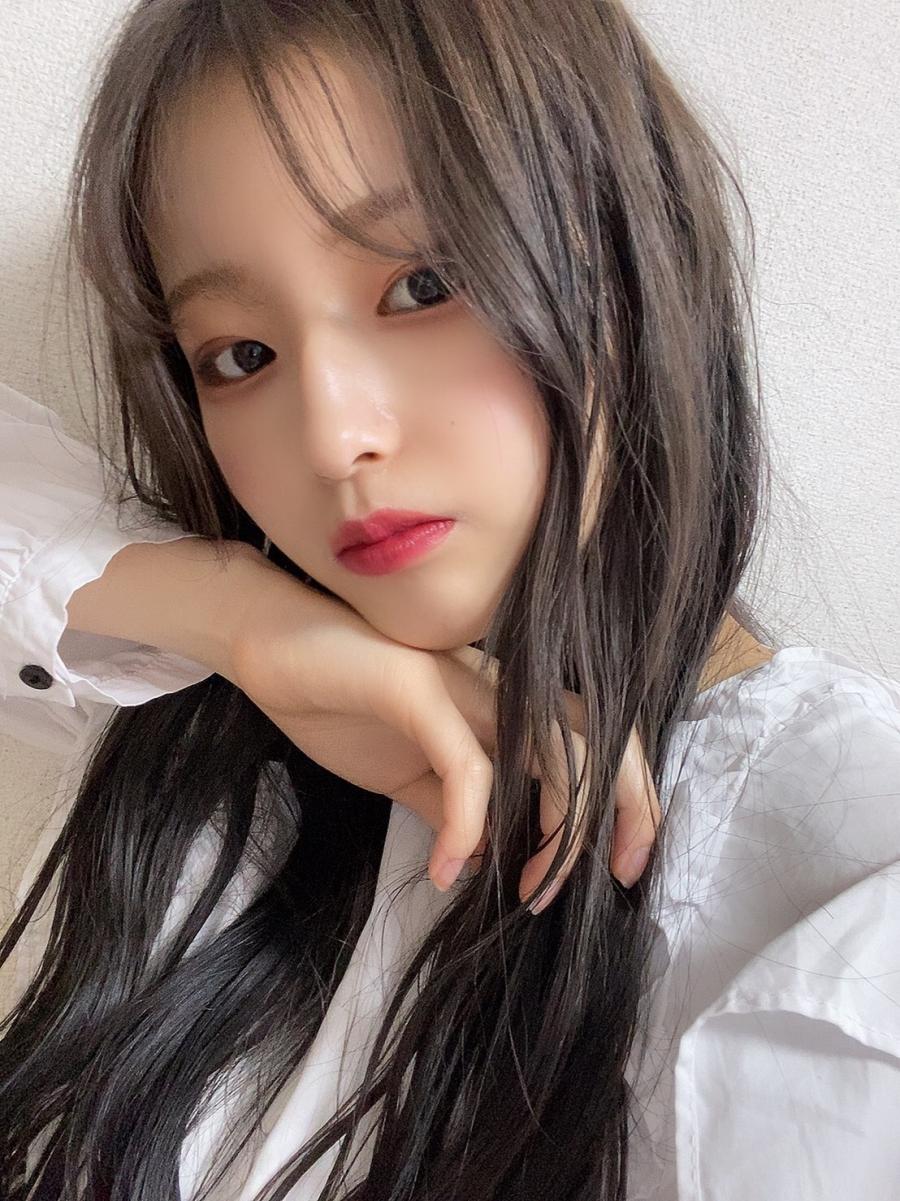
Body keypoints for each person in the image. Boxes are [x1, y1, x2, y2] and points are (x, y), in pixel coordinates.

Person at [0, 2, 897, 1199]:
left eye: (424, 283)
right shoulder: (201, 746)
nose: (332, 436)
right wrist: (234, 614)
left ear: (630, 256)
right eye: (240, 356)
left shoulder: (842, 913)